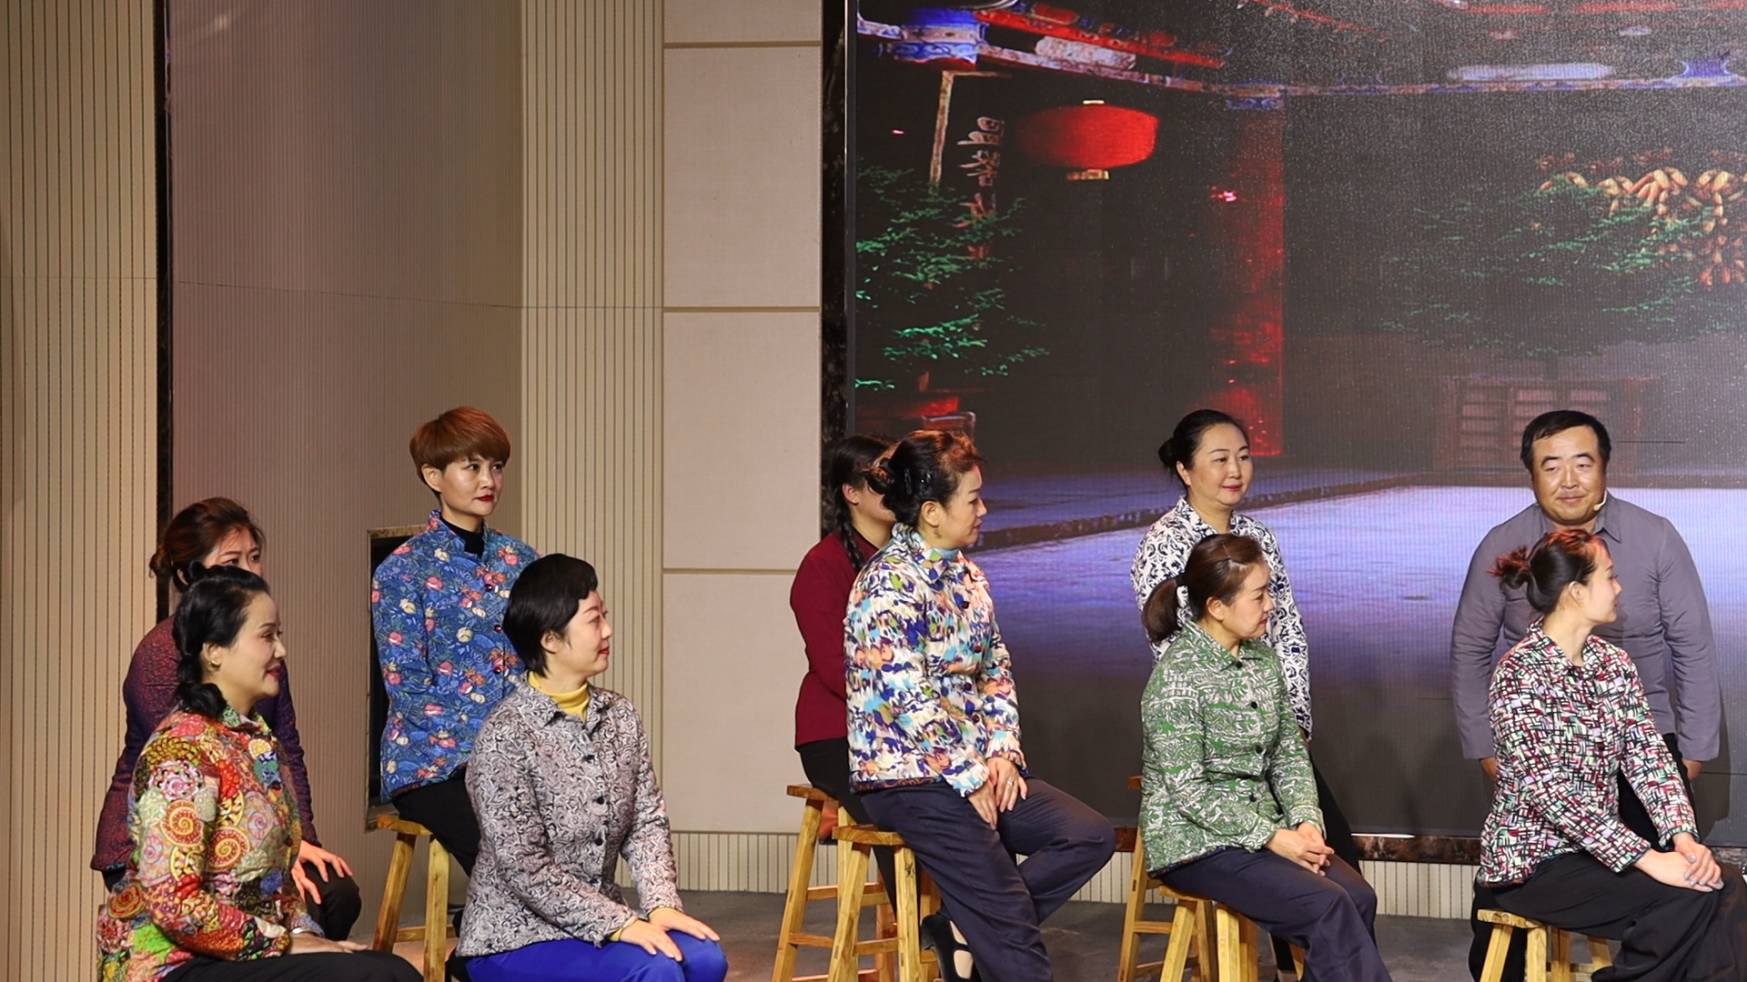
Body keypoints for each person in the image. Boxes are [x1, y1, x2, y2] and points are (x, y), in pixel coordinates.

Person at [1451, 410, 1721, 979]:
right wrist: (1487, 748)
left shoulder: (1653, 541)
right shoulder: (1504, 558)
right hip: (1545, 762)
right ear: (1531, 474)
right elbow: (1470, 650)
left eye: (1583, 463)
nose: (1569, 480)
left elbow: (1692, 647)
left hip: (1641, 738)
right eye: (1552, 466)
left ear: (1605, 467)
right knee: (1668, 895)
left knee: (1704, 892)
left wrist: (1688, 765)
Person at [846, 430, 1115, 982]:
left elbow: (996, 671)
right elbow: (907, 697)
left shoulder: (968, 575)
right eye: (972, 499)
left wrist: (1002, 755)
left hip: (974, 764)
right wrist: (969, 777)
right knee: (1007, 914)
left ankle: (961, 926)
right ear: (931, 512)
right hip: (909, 777)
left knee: (1087, 834)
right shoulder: (886, 584)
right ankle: (984, 926)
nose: (983, 509)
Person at [97, 567, 418, 982]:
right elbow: (174, 905)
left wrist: (304, 934)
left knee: (389, 968)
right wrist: (280, 943)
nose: (281, 650)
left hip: (240, 951)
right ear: (215, 651)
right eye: (267, 636)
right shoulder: (181, 752)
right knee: (375, 978)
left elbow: (277, 881)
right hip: (174, 964)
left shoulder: (256, 741)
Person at [1478, 528, 1747, 979]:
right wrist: (1649, 858)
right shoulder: (1519, 674)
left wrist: (1682, 838)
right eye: (1610, 576)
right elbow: (1552, 795)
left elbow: (1650, 759)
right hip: (1535, 866)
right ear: (1576, 592)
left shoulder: (1613, 664)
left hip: (1596, 855)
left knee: (1726, 883)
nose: (1619, 587)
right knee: (1688, 898)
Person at [94, 498, 360, 940]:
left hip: (253, 825)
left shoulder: (260, 646)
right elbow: (187, 769)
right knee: (303, 912)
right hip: (169, 839)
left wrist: (300, 841)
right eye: (232, 561)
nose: (250, 571)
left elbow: (285, 748)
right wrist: (273, 851)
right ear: (189, 575)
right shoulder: (160, 654)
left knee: (336, 891)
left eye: (254, 557)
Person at [456, 554, 727, 982]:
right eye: (594, 620)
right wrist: (620, 922)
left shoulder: (620, 715)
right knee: (655, 972)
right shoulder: (505, 735)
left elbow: (646, 821)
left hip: (602, 921)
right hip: (517, 936)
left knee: (706, 959)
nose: (608, 630)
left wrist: (660, 904)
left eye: (605, 616)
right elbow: (525, 867)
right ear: (550, 639)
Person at [1141, 534, 1390, 982]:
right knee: (1327, 906)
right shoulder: (1177, 679)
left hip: (1263, 828)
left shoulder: (1262, 661)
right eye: (1258, 596)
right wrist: (1273, 837)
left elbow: (1288, 755)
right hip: (1198, 842)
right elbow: (1190, 793)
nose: (1271, 605)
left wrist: (1306, 820)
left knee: (1357, 897)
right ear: (1217, 606)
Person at [1129, 410, 1361, 875]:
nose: (1235, 470)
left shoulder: (1257, 536)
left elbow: (1288, 632)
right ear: (1185, 469)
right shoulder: (1165, 543)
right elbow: (1176, 653)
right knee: (1296, 871)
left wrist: (1293, 722)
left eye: (1244, 456)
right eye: (1220, 459)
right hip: (1212, 746)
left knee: (1334, 858)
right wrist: (1244, 720)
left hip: (1271, 727)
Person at [374, 407, 538, 875]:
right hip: (433, 764)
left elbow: (542, 659)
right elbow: (407, 686)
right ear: (434, 476)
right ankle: (499, 924)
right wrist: (487, 750)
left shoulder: (521, 560)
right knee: (503, 851)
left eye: (496, 467)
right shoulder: (403, 570)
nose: (489, 480)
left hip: (514, 758)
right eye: (472, 467)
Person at [789, 435, 899, 891]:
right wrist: (906, 707)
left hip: (903, 730)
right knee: (910, 812)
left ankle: (964, 924)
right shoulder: (823, 565)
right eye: (880, 478)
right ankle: (933, 926)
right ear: (851, 492)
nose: (892, 485)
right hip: (838, 734)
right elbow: (836, 668)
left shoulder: (910, 558)